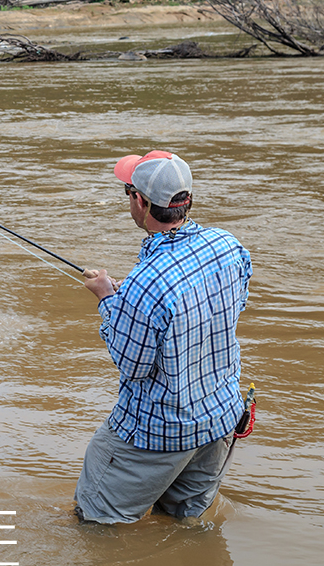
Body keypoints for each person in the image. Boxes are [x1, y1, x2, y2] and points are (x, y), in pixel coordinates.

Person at [75, 150, 252, 525]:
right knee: (184, 527)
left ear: (140, 201)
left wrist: (109, 299)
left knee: (94, 523)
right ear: (185, 199)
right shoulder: (228, 245)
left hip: (157, 432)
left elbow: (132, 365)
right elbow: (222, 309)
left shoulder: (146, 283)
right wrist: (130, 301)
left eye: (128, 192)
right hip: (220, 420)